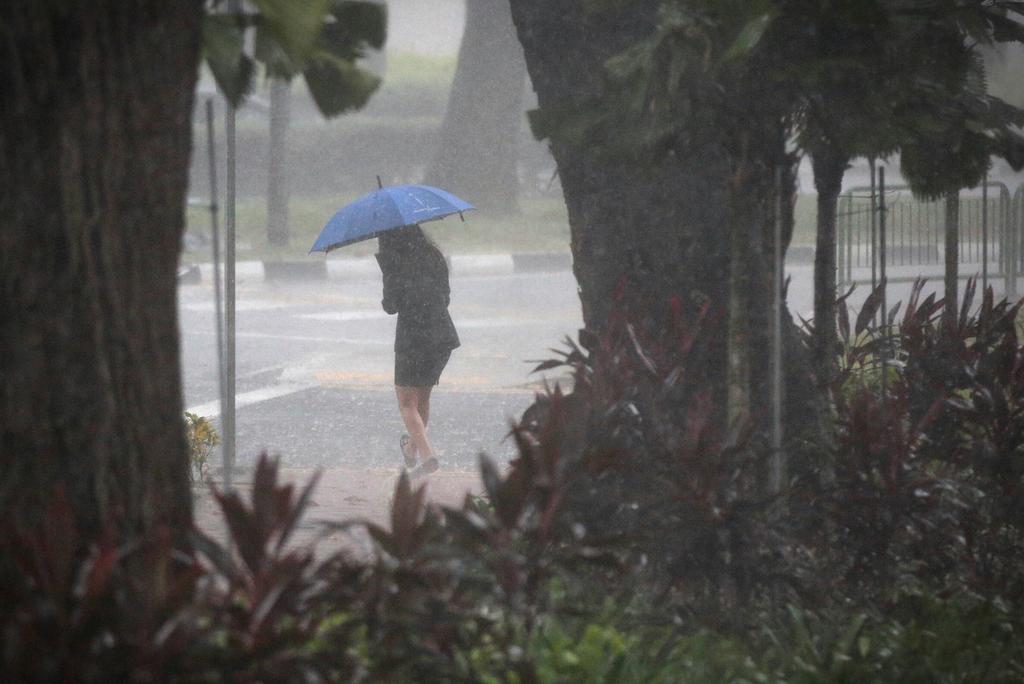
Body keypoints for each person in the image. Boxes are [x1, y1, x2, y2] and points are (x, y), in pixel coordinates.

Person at [375, 225, 460, 475]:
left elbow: (390, 306)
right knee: (422, 398)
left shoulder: (394, 261)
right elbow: (445, 296)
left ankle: (427, 454)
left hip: (412, 338)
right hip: (442, 335)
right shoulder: (434, 255)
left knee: (407, 403)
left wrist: (388, 274)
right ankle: (412, 448)